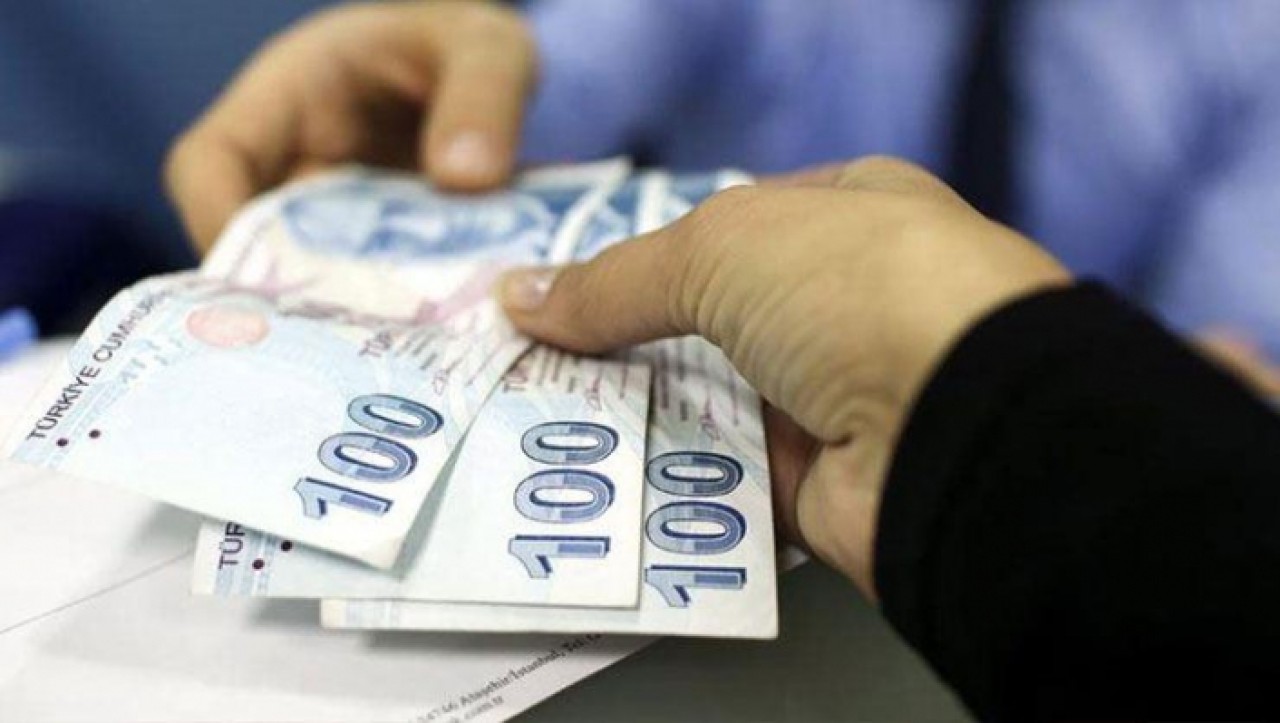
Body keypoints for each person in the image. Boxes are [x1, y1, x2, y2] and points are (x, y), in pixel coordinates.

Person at [166, 3, 1280, 718]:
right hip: (709, 556)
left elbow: (1225, 386)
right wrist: (434, 142)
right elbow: (561, 78)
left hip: (1038, 580)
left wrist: (1019, 403)